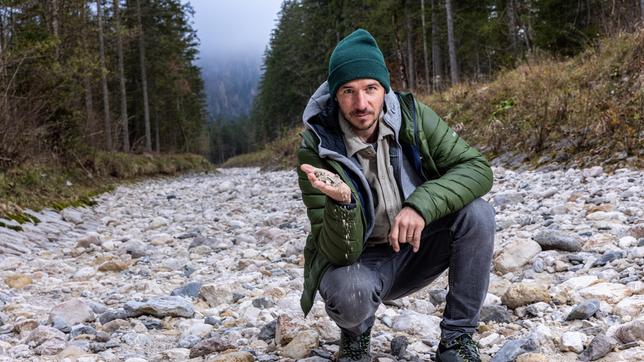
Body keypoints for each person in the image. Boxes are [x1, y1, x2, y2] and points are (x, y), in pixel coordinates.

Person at [296, 28, 495, 362]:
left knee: (478, 214)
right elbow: (336, 252)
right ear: (335, 95)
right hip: (360, 261)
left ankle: (457, 340)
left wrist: (421, 206)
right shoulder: (317, 147)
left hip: (418, 247)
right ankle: (356, 336)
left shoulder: (412, 116)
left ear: (383, 89)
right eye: (349, 91)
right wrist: (343, 203)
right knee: (350, 294)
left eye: (370, 89)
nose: (361, 104)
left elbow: (477, 168)